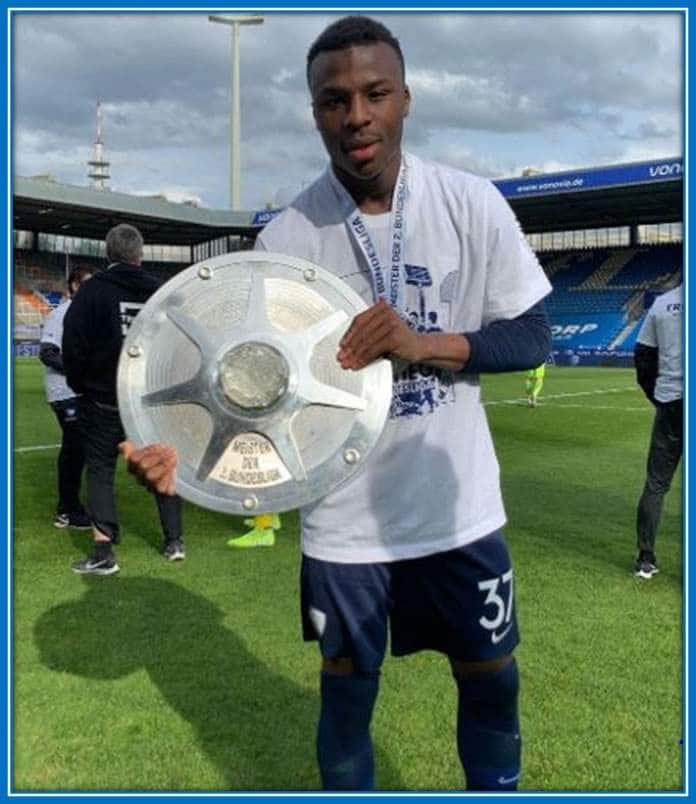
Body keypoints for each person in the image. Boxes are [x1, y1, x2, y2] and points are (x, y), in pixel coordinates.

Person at [120, 16, 552, 790]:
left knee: (493, 684)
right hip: (344, 537)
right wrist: (175, 460)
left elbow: (531, 336)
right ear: (316, 111)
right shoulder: (285, 239)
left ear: (405, 99)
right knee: (346, 703)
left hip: (460, 519)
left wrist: (427, 343)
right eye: (334, 99)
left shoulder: (470, 203)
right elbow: (235, 382)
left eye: (375, 93)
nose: (356, 115)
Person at [62, 223, 185, 576]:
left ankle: (104, 550)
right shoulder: (162, 292)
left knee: (100, 470)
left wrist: (79, 383)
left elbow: (73, 344)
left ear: (108, 253)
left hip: (103, 399)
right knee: (162, 463)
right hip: (151, 400)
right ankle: (174, 540)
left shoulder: (92, 292)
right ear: (140, 254)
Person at [633, 282, 683, 580]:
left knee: (656, 484)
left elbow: (643, 358)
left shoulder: (663, 303)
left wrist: (658, 395)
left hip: (671, 403)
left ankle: (645, 558)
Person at [40, 266, 94, 529]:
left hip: (80, 391)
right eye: (85, 284)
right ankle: (68, 510)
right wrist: (81, 371)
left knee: (80, 448)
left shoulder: (87, 315)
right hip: (64, 392)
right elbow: (48, 353)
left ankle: (72, 504)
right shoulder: (60, 314)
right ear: (73, 286)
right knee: (74, 449)